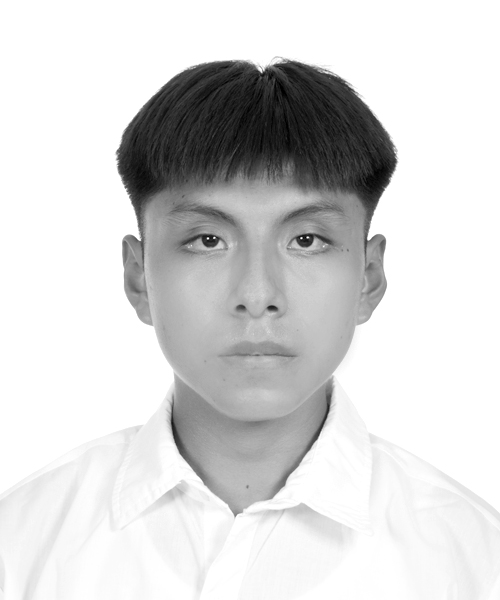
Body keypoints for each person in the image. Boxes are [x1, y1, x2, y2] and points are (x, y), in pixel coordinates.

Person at [0, 59, 499, 599]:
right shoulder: (21, 545)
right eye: (208, 241)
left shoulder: (474, 560)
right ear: (139, 277)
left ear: (369, 278)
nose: (258, 295)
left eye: (306, 240)